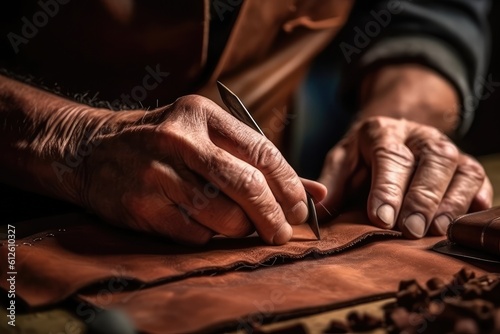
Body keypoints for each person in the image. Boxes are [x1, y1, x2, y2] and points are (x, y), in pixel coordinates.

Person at [0, 0, 493, 245]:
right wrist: (70, 138)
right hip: (23, 226)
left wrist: (399, 121)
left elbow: (431, 11)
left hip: (243, 220)